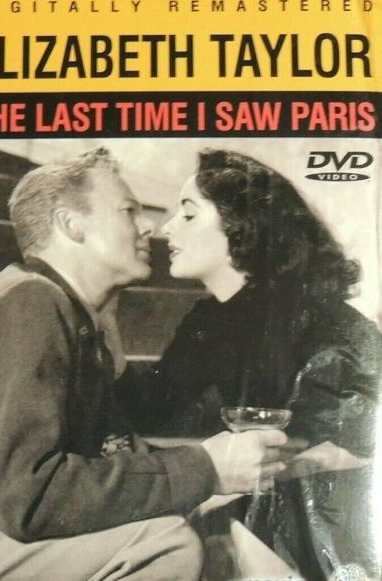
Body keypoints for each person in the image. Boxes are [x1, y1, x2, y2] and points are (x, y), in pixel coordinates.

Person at [0, 147, 288, 581]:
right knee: (163, 543)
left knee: (212, 518)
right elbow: (30, 497)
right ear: (71, 224)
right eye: (128, 211)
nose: (149, 225)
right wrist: (205, 468)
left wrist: (214, 474)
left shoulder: (66, 310)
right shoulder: (28, 302)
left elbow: (110, 455)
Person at [117, 149, 381, 580]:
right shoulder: (210, 319)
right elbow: (150, 411)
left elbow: (355, 442)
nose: (166, 227)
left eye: (188, 214)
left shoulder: (318, 319)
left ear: (240, 225)